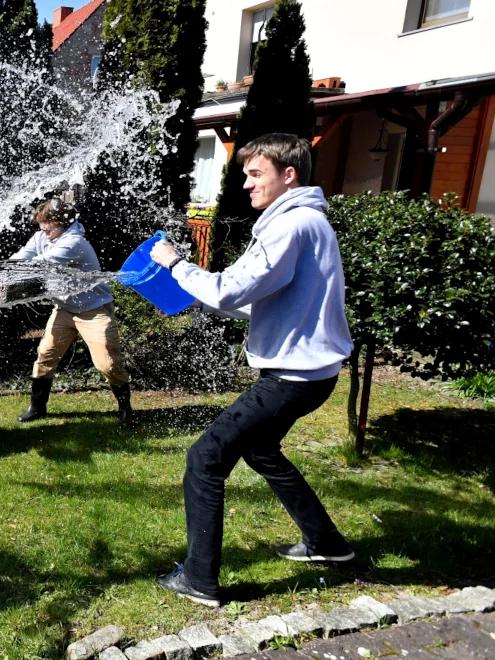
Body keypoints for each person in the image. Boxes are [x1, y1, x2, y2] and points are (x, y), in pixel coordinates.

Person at [149, 133, 355, 608]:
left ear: (290, 175)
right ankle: (326, 543)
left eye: (255, 173)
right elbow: (266, 298)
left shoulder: (291, 225)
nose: (245, 183)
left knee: (205, 459)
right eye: (245, 174)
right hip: (311, 373)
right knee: (261, 449)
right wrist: (200, 295)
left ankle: (199, 579)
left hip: (292, 377)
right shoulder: (305, 222)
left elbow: (230, 289)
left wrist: (177, 265)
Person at [10, 197, 133, 425]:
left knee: (108, 364)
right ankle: (37, 408)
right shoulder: (41, 237)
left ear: (62, 222)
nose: (43, 228)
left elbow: (42, 264)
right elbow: (21, 258)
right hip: (64, 309)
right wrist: (1, 270)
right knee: (45, 355)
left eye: (48, 224)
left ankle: (125, 408)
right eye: (41, 224)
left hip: (93, 311)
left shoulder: (74, 242)